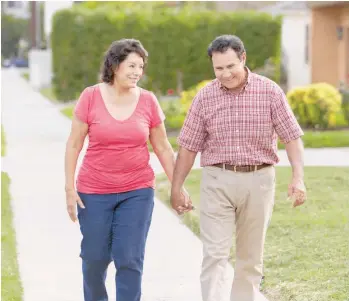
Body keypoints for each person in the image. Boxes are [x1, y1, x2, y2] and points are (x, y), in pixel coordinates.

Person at [170, 35, 307, 301]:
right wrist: (177, 187)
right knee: (215, 254)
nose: (225, 74)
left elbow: (292, 137)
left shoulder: (269, 91)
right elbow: (188, 146)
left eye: (230, 66)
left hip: (259, 180)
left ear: (243, 59)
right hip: (217, 180)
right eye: (219, 68)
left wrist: (298, 178)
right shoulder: (205, 97)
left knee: (250, 259)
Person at [64, 38, 192, 301]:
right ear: (114, 66)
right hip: (94, 191)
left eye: (141, 66)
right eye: (131, 65)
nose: (137, 72)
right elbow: (74, 144)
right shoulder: (90, 96)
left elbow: (164, 148)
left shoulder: (147, 101)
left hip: (137, 191)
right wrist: (69, 188)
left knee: (129, 258)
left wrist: (177, 186)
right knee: (94, 258)